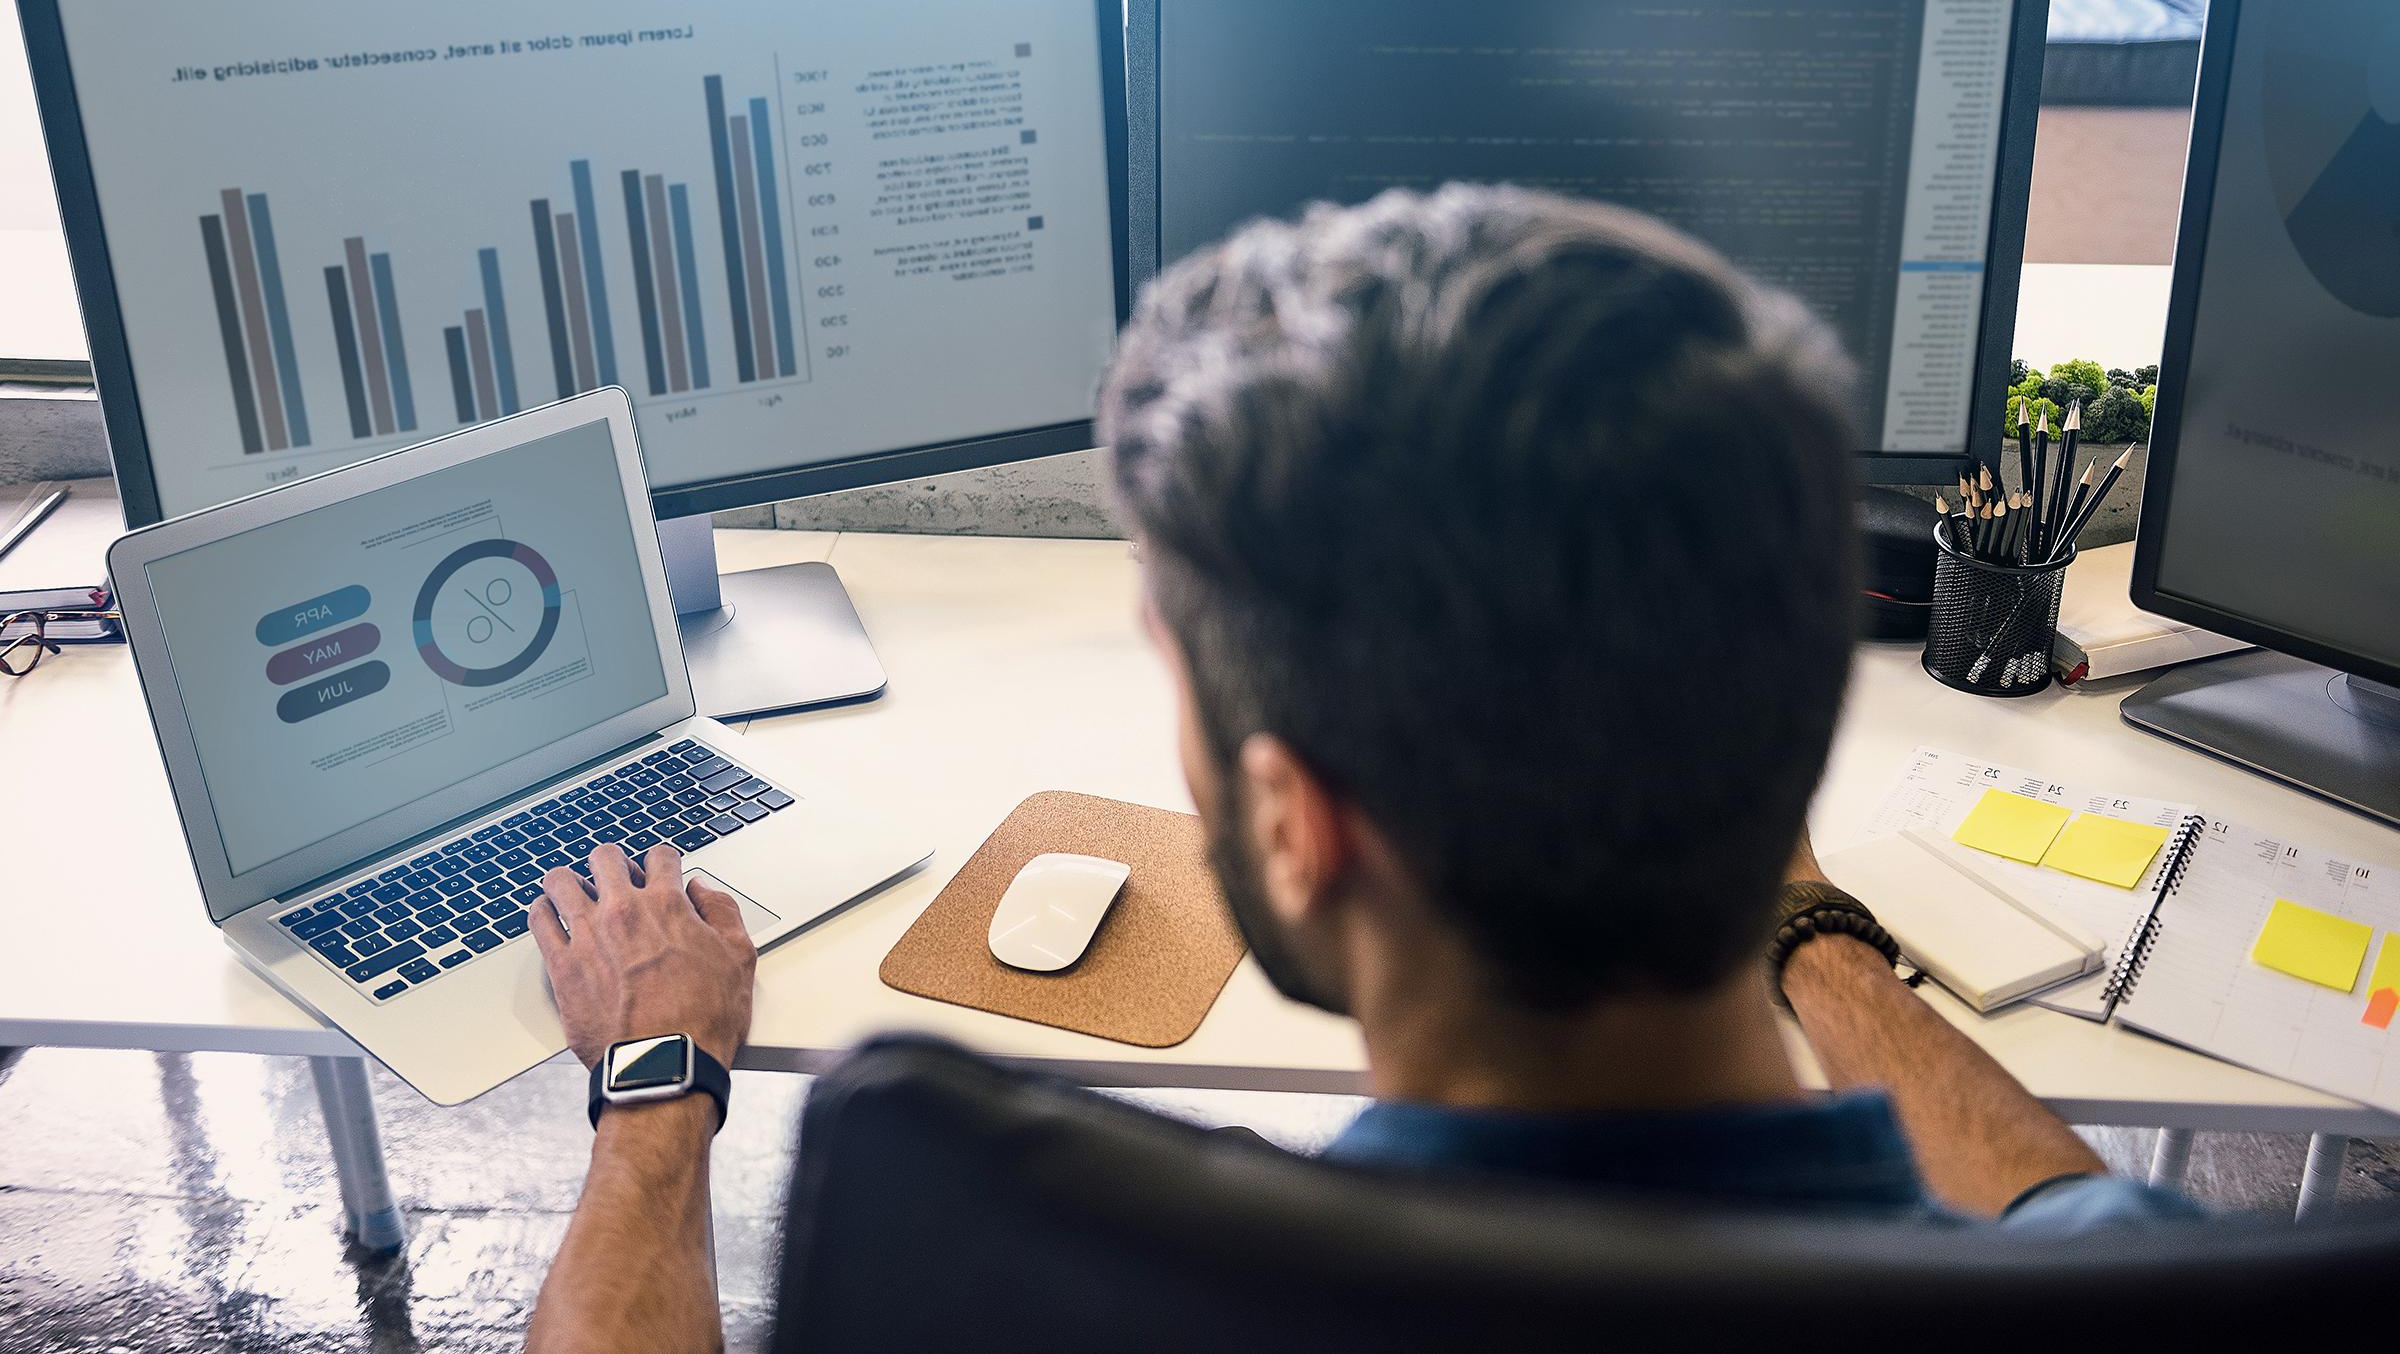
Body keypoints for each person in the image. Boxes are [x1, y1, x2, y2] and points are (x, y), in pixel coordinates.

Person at [523, 185, 2201, 1354]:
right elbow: (2069, 1227)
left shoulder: (1070, 1307)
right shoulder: (2163, 1294)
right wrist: (1815, 935)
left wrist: (658, 1100)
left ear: (1290, 823)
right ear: (1792, 751)